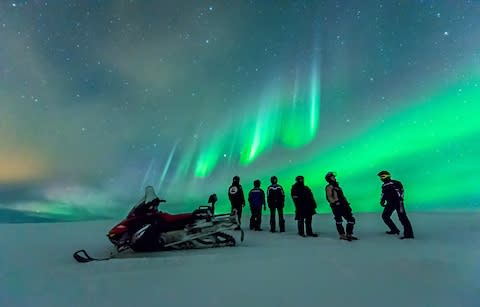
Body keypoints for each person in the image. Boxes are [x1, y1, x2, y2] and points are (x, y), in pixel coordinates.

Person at [377, 171, 414, 239]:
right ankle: (394, 230)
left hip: (398, 202)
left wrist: (400, 199)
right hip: (390, 203)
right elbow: (383, 194)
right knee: (385, 216)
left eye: (382, 176)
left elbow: (401, 191)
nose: (381, 178)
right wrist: (382, 200)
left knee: (402, 217)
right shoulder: (384, 185)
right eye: (380, 177)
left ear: (388, 176)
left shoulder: (396, 183)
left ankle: (409, 234)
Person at [325, 172, 358, 241]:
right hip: (336, 206)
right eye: (332, 177)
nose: (334, 177)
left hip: (344, 205)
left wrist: (346, 203)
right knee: (339, 220)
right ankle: (342, 235)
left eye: (334, 176)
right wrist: (336, 202)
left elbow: (342, 196)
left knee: (351, 219)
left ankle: (349, 234)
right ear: (329, 179)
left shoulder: (337, 186)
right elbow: (329, 197)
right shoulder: (329, 186)